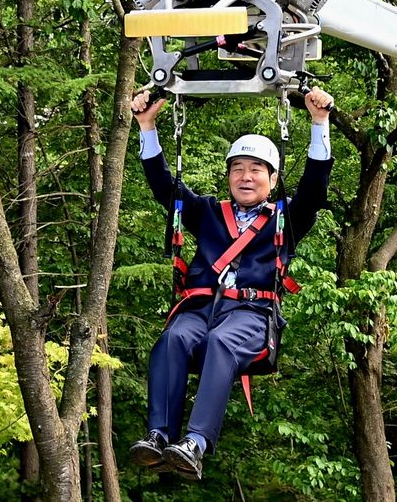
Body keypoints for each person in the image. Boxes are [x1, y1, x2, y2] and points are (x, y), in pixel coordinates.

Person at [128, 87, 334, 480]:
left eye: (256, 169)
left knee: (222, 342)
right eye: (238, 168)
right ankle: (159, 434)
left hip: (251, 313)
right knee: (172, 338)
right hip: (201, 308)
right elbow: (163, 188)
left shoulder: (284, 218)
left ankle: (195, 444)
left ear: (272, 180)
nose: (246, 176)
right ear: (228, 177)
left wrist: (319, 123)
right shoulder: (207, 213)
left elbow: (314, 188)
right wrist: (147, 126)